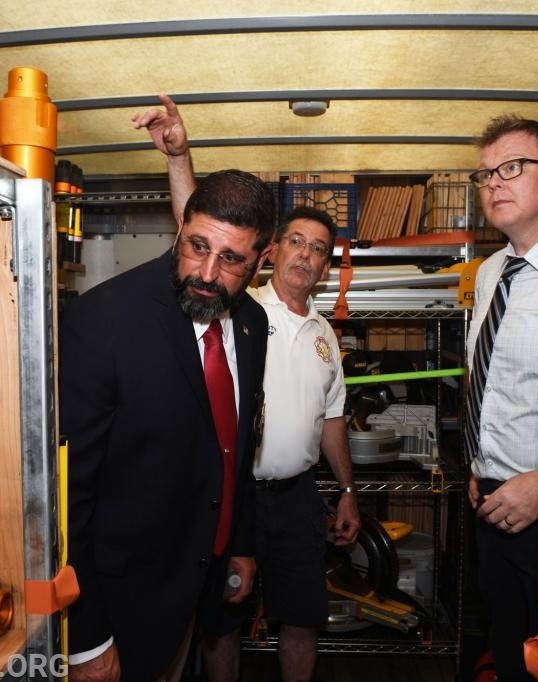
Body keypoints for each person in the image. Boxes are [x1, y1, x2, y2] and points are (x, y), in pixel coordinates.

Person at [133, 94, 361, 682]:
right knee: (223, 620)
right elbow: (201, 235)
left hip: (298, 498)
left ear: (326, 267)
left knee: (302, 617)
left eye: (319, 249)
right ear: (269, 253)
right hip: (235, 494)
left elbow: (332, 419)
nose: (306, 255)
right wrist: (179, 159)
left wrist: (347, 491)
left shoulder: (325, 336)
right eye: (297, 241)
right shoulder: (241, 307)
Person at [59, 168, 278, 682]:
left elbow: (237, 449)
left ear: (261, 259)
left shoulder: (252, 323)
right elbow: (67, 496)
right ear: (180, 228)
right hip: (121, 603)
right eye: (197, 246)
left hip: (200, 583)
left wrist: (239, 545)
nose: (206, 273)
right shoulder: (104, 321)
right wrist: (86, 640)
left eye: (231, 259)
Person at [462, 115, 538, 681]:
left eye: (512, 167)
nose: (494, 182)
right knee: (507, 652)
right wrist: (478, 465)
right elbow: (490, 378)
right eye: (485, 174)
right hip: (490, 499)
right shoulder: (490, 271)